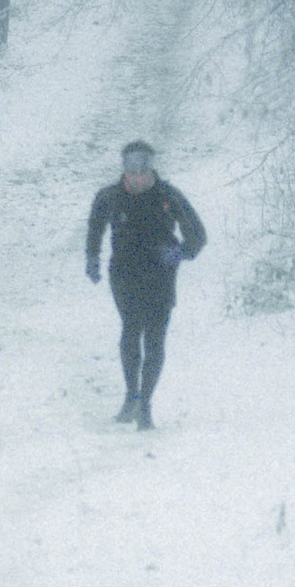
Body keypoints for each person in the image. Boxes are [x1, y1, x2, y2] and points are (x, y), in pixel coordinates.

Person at [84, 142, 206, 427]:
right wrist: (92, 258)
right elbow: (94, 227)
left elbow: (198, 236)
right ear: (124, 169)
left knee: (154, 337)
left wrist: (178, 253)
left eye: (142, 170)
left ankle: (145, 404)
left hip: (161, 275)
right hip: (124, 274)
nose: (137, 177)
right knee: (130, 329)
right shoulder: (109, 197)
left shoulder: (168, 197)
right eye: (131, 170)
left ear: (151, 169)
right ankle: (132, 397)